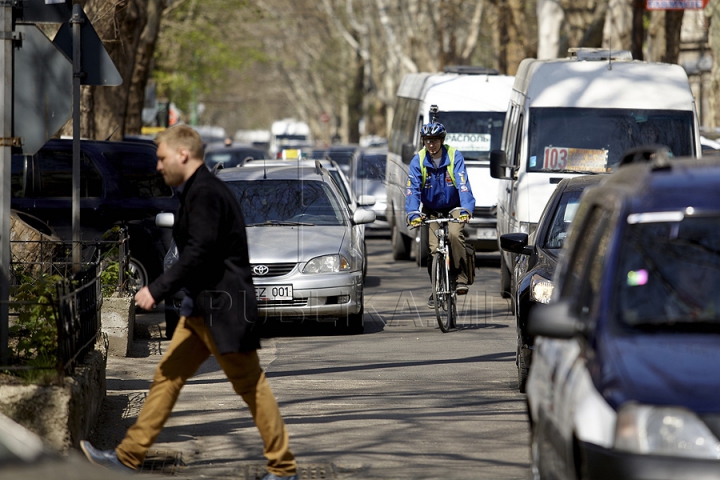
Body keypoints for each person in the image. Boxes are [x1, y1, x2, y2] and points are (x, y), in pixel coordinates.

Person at [80, 125, 298, 480]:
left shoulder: (207, 193)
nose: (158, 166)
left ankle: (284, 468)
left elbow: (200, 252)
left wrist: (157, 288)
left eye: (162, 158)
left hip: (223, 310)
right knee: (167, 377)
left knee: (251, 387)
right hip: (202, 309)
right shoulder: (197, 191)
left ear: (184, 154)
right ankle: (128, 456)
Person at [405, 121, 476, 307]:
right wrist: (413, 214)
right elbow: (412, 190)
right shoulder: (418, 160)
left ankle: (460, 278)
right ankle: (436, 288)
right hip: (431, 209)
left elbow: (463, 185)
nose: (431, 144)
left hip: (454, 206)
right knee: (433, 248)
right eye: (427, 140)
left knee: (454, 234)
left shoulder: (454, 156)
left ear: (442, 140)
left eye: (435, 140)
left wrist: (466, 209)